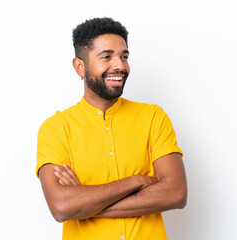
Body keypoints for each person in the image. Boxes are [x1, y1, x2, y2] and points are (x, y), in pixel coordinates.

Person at [36, 17, 187, 240]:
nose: (120, 65)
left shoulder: (153, 117)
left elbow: (175, 193)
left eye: (124, 57)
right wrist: (136, 182)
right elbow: (61, 206)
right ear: (80, 67)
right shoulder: (56, 129)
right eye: (107, 57)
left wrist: (85, 204)